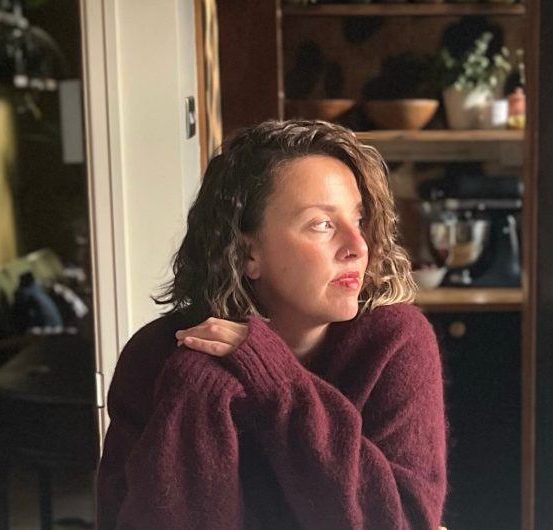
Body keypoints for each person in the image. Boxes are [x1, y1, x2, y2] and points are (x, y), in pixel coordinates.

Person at [96, 119, 448, 530]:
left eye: (359, 219)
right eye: (322, 224)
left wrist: (275, 379)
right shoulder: (156, 355)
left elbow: (405, 521)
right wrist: (199, 384)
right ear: (247, 254)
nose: (357, 247)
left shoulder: (395, 342)